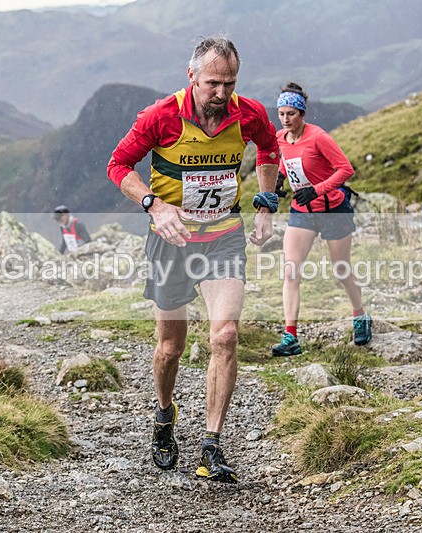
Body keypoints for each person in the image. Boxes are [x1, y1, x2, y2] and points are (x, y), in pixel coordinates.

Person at [106, 36, 279, 484]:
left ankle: (211, 445)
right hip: (172, 242)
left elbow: (269, 147)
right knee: (170, 348)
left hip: (223, 238)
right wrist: (154, 205)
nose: (222, 94)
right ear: (191, 77)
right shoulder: (160, 116)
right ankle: (164, 415)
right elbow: (118, 166)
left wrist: (264, 204)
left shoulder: (250, 112)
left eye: (230, 83)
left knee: (224, 335)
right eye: (213, 83)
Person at [270, 82, 372, 357]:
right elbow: (286, 160)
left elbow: (345, 169)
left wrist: (316, 190)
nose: (285, 119)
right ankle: (290, 336)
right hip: (302, 212)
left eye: (291, 113)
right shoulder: (281, 138)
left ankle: (360, 314)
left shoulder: (318, 137)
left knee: (341, 270)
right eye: (281, 113)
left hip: (333, 211)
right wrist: (279, 179)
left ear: (302, 113)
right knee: (291, 271)